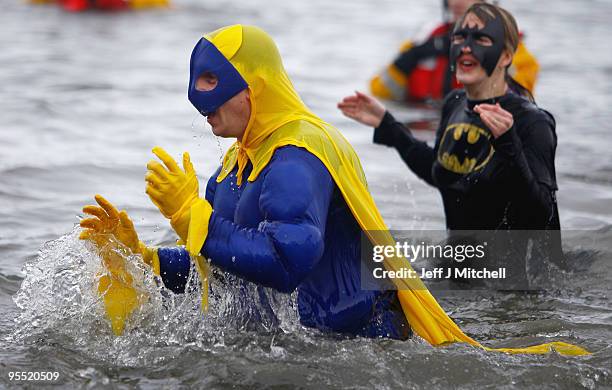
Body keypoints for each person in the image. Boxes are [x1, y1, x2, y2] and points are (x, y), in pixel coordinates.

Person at [78, 23, 589, 357]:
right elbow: (224, 264)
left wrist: (193, 215)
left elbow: (285, 261)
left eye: (212, 88)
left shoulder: (299, 158)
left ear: (252, 87)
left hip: (355, 349)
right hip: (289, 345)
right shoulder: (236, 163)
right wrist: (146, 260)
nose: (201, 107)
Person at [339, 3, 564, 284]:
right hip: (459, 272)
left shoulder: (532, 122)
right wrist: (390, 127)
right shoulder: (455, 105)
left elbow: (539, 216)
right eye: (460, 38)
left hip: (509, 290)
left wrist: (509, 144)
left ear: (506, 56)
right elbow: (444, 174)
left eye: (480, 39)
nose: (466, 47)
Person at [370, 0, 539, 102]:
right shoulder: (425, 39)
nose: (458, 2)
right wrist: (409, 59)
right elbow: (379, 92)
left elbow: (520, 99)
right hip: (426, 126)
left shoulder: (511, 49)